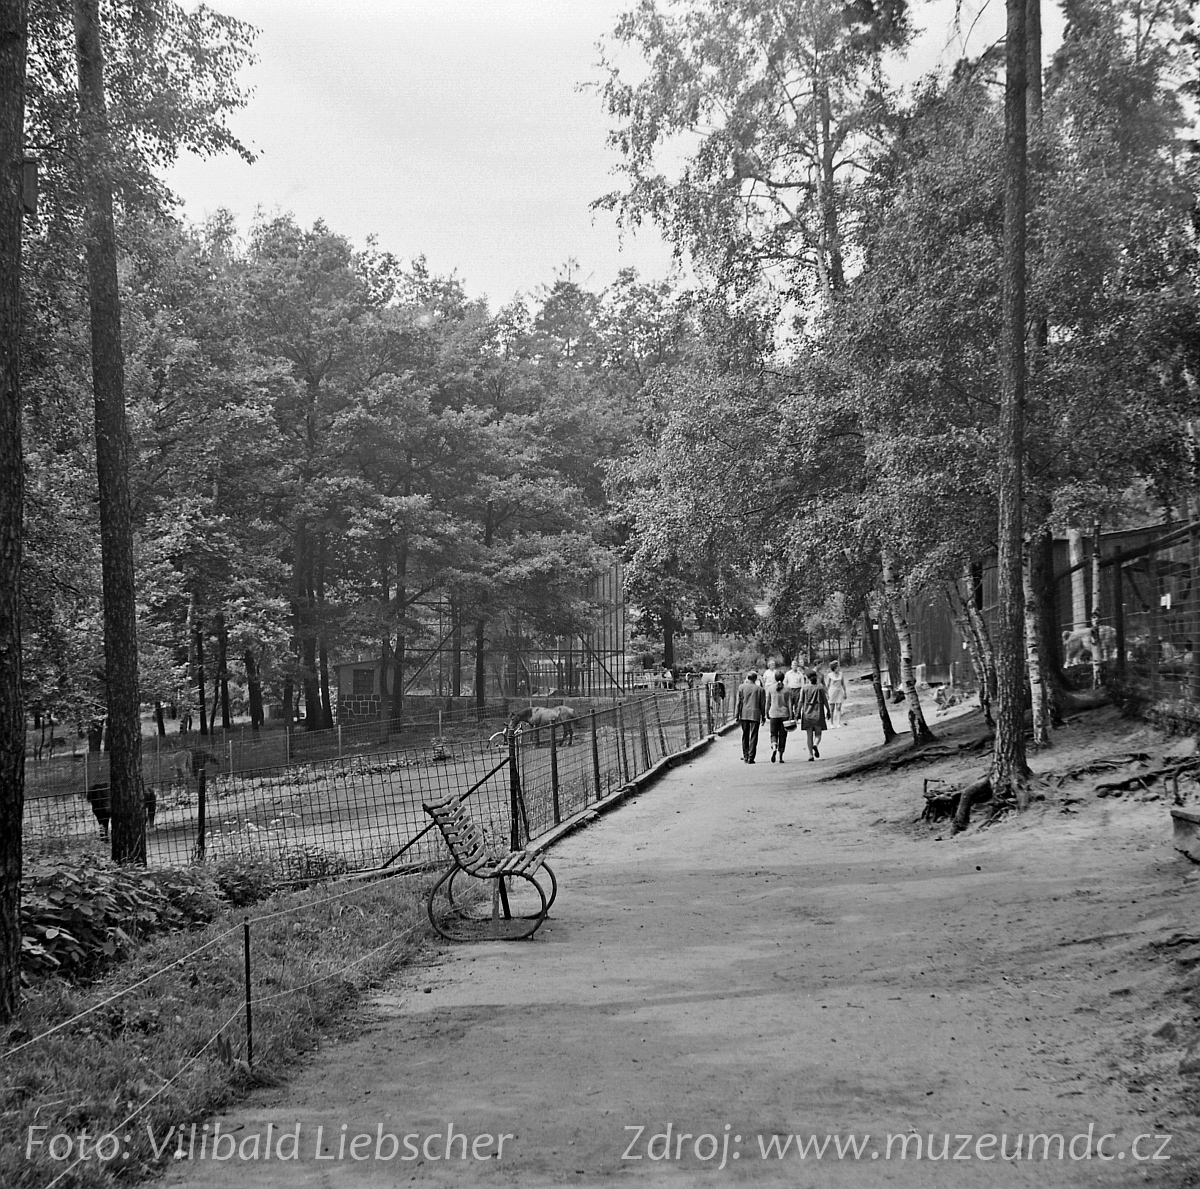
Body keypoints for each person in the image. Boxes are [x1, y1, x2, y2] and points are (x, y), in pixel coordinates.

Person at [735, 670, 766, 763]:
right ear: (756, 679)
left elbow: (738, 703)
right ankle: (751, 757)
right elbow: (762, 704)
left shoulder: (741, 687)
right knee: (754, 735)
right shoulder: (760, 689)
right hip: (755, 714)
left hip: (744, 714)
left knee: (745, 735)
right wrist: (763, 716)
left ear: (747, 678)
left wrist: (737, 715)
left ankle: (745, 755)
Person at [798, 670, 829, 760]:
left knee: (809, 735)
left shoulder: (804, 688)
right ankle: (815, 744)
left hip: (807, 713)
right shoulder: (820, 687)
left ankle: (810, 755)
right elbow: (825, 700)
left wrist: (797, 713)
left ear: (807, 678)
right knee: (818, 734)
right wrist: (828, 710)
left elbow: (800, 701)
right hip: (818, 712)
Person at [766, 669, 790, 763]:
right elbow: (789, 703)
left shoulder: (771, 688)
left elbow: (768, 703)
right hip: (784, 714)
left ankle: (774, 746)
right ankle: (780, 757)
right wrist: (791, 715)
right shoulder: (787, 689)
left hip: (774, 714)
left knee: (773, 733)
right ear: (783, 678)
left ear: (775, 678)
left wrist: (766, 713)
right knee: (783, 735)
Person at [826, 660, 847, 728]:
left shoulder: (841, 674)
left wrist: (845, 692)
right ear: (834, 667)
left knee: (838, 707)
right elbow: (827, 685)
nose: (839, 668)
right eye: (837, 666)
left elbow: (843, 684)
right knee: (832, 708)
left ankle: (838, 722)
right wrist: (827, 694)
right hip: (832, 691)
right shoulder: (829, 675)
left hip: (839, 691)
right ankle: (831, 723)